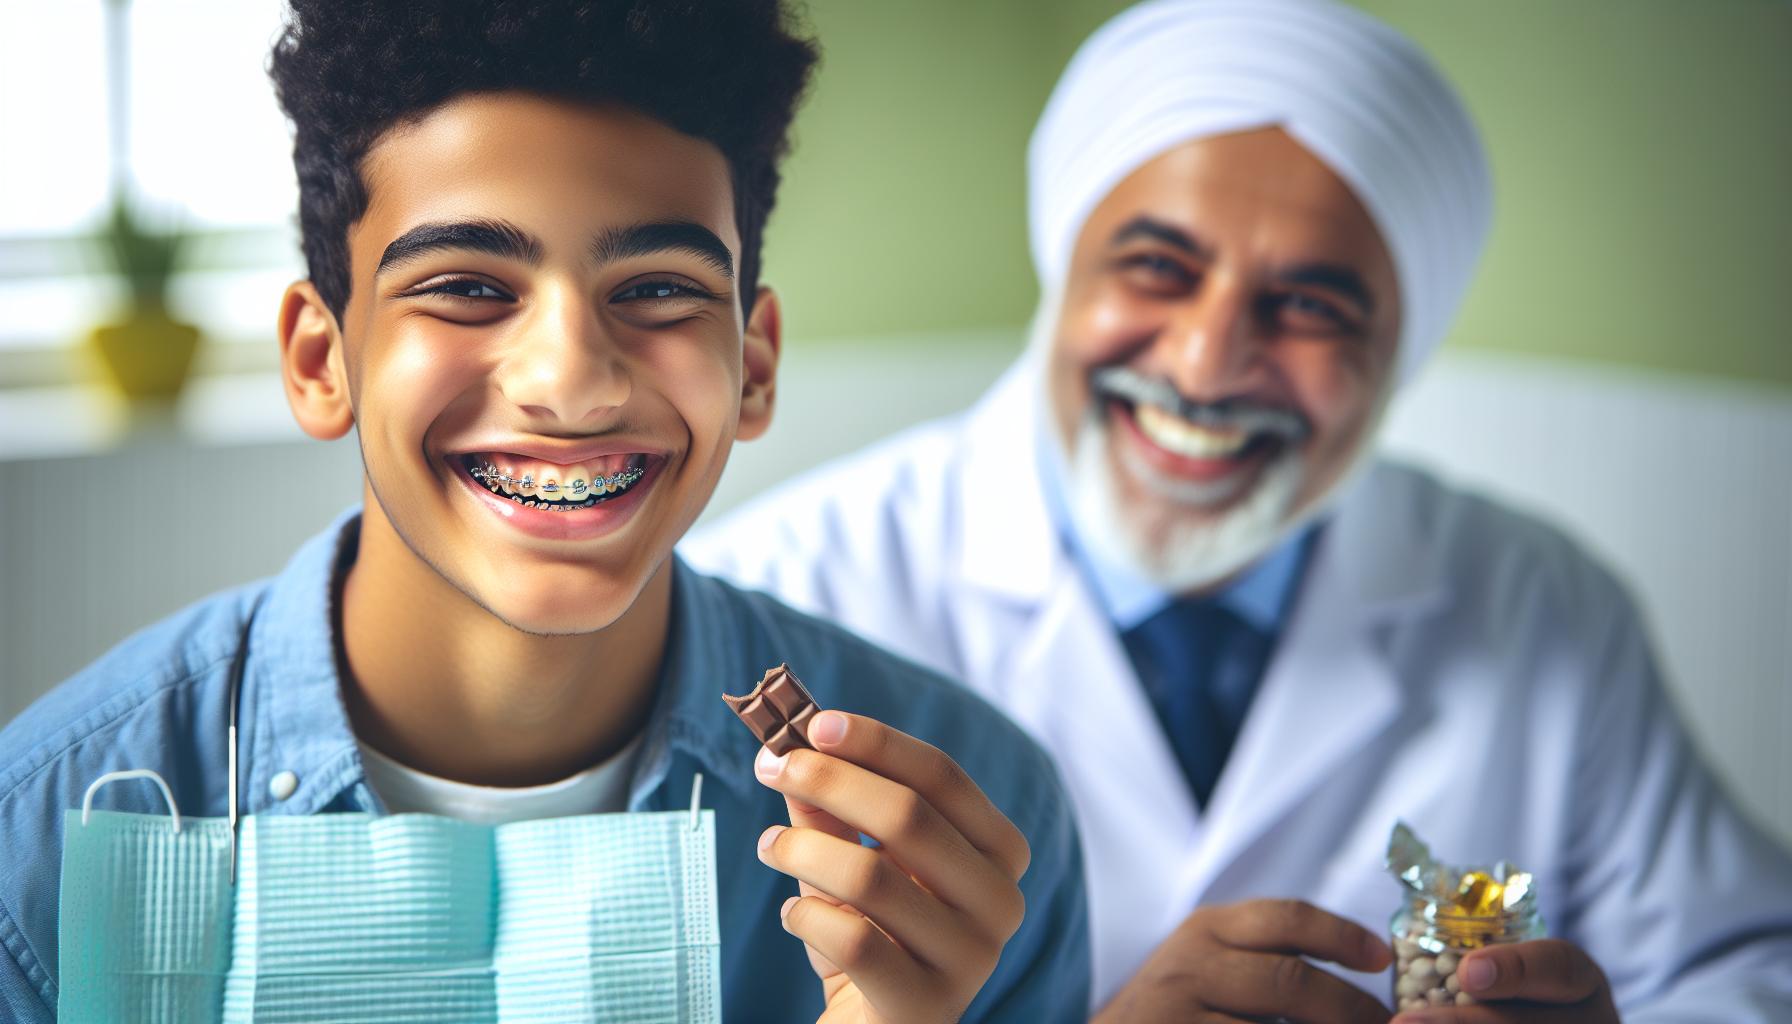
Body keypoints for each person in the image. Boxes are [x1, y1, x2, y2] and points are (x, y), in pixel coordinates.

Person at [682, 0, 1792, 1020]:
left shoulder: (1543, 604)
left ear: (1398, 351)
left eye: (1308, 301)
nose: (1209, 364)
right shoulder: (783, 594)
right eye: (1158, 265)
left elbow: (1741, 971)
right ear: (1061, 268)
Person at [0, 3, 1091, 1021]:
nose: (573, 382)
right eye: (469, 286)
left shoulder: (961, 835)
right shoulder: (44, 833)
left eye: (658, 289)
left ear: (753, 365)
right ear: (320, 356)